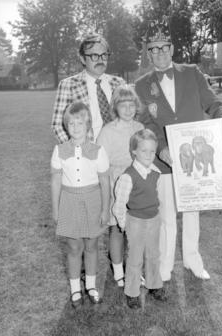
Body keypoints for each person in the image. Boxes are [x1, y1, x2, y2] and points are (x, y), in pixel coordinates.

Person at [135, 18, 222, 282]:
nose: (158, 53)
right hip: (166, 160)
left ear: (172, 48)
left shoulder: (192, 72)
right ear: (148, 54)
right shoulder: (142, 85)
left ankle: (193, 260)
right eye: (153, 49)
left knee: (192, 212)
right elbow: (146, 123)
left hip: (195, 156)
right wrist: (160, 149)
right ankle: (165, 266)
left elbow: (213, 103)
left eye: (163, 47)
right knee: (167, 215)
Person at [51, 102, 110, 309]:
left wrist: (105, 209)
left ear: (88, 125)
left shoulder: (98, 151)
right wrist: (56, 210)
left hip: (93, 201)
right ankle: (75, 287)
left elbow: (104, 182)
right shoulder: (59, 151)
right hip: (69, 201)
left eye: (80, 122)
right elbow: (56, 182)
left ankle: (91, 285)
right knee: (74, 247)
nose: (75, 127)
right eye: (71, 123)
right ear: (66, 126)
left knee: (92, 245)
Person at [113, 129, 167, 309]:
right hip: (135, 221)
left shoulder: (156, 172)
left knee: (153, 255)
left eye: (152, 151)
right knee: (135, 258)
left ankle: (154, 285)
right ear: (134, 151)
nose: (149, 155)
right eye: (144, 151)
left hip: (153, 219)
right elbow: (119, 204)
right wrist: (123, 224)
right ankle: (132, 292)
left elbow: (155, 195)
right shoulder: (128, 176)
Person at [96, 85, 144, 288]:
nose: (127, 109)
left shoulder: (140, 128)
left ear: (136, 106)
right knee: (116, 230)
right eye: (122, 105)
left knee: (135, 231)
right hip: (117, 183)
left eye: (131, 104)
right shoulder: (107, 131)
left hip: (138, 185)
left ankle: (133, 269)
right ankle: (117, 272)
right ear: (115, 107)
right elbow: (100, 163)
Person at [51, 32, 125, 143]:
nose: (100, 60)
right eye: (94, 56)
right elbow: (58, 125)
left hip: (119, 151)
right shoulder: (68, 85)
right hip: (87, 152)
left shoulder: (119, 83)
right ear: (82, 58)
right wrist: (77, 151)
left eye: (104, 55)